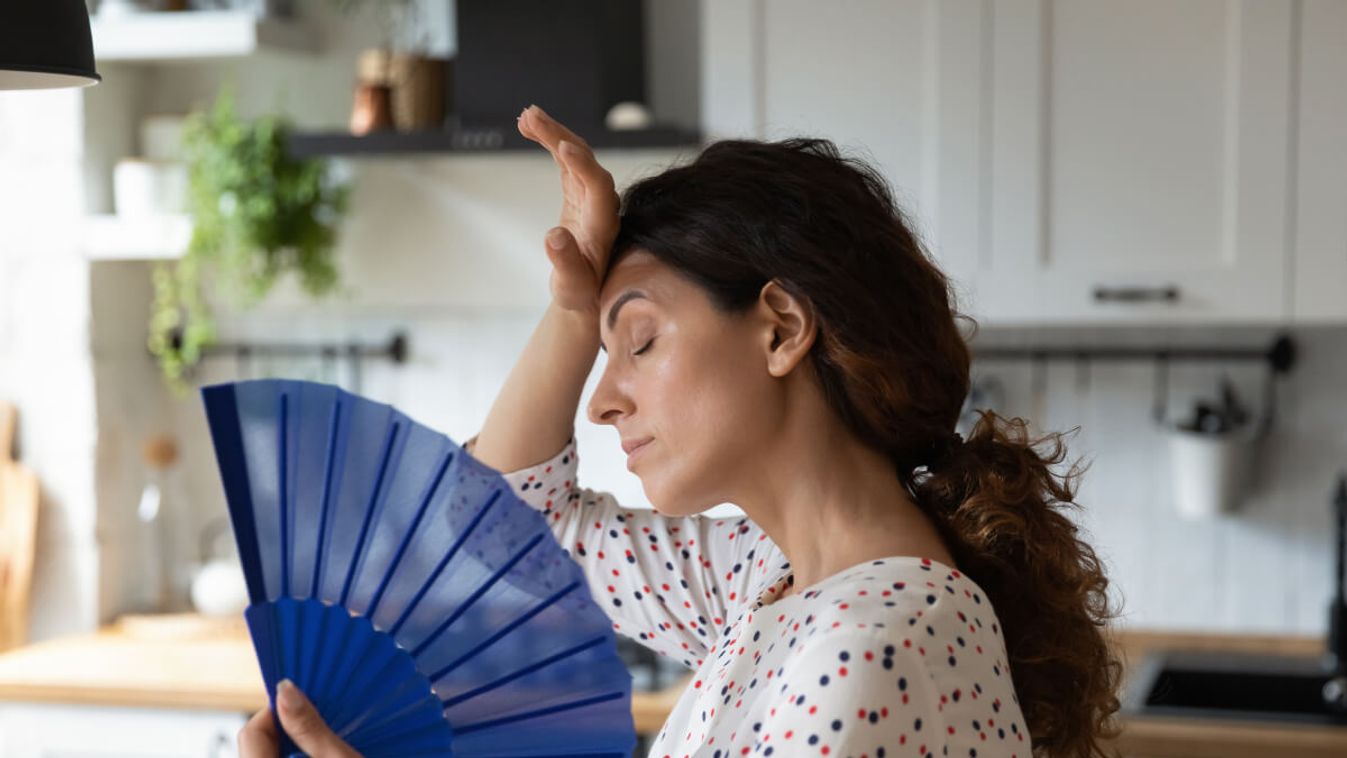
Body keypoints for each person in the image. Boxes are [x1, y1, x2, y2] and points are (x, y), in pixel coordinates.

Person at [239, 105, 1123, 757]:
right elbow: (507, 532)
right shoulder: (767, 580)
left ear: (779, 328)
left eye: (640, 341)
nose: (602, 401)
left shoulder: (867, 644)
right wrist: (568, 311)